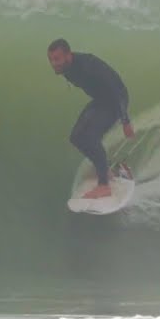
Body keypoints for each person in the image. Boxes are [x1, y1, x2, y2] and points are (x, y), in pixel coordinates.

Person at [47, 38, 135, 199]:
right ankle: (106, 171)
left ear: (68, 55)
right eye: (51, 60)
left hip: (115, 102)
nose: (53, 63)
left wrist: (125, 120)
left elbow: (116, 89)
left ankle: (104, 186)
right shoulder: (67, 68)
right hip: (101, 101)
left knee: (90, 138)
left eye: (57, 59)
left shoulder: (89, 65)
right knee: (76, 137)